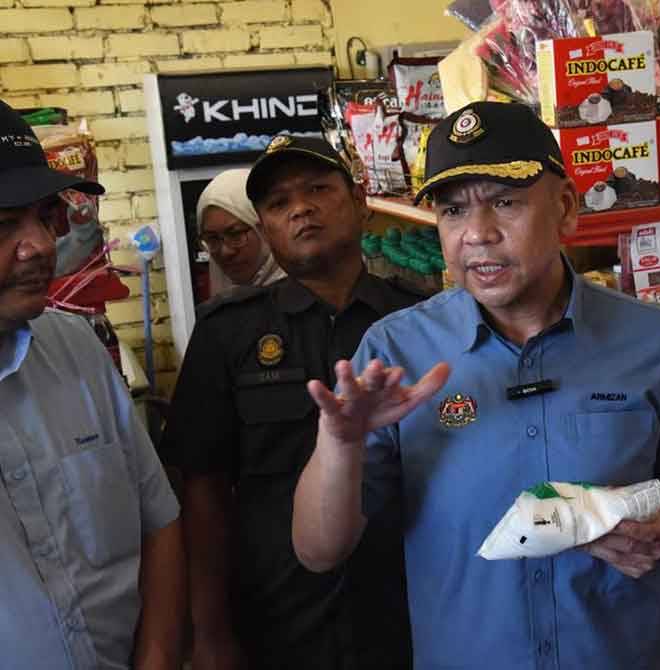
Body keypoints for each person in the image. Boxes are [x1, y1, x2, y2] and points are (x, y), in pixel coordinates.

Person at [291, 101, 660, 669]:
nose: (477, 234)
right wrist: (339, 446)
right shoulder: (398, 354)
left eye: (506, 202)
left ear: (566, 207)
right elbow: (318, 552)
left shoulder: (651, 339)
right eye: (452, 211)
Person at [160, 135, 417, 670]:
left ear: (359, 201)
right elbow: (201, 490)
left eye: (318, 189)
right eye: (278, 204)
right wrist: (208, 632)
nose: (300, 208)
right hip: (276, 619)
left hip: (410, 608)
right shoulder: (226, 336)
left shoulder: (418, 324)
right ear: (266, 226)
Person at [0, 99, 184, 668]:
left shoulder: (76, 349)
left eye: (46, 217)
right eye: (6, 224)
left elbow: (159, 522)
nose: (41, 245)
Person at [195, 168, 285, 300]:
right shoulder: (219, 311)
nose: (225, 251)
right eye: (212, 239)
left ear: (264, 228)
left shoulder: (312, 300)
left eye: (235, 234)